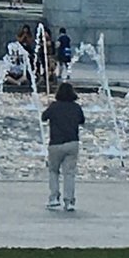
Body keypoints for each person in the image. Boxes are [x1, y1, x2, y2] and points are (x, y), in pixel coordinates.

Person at [42, 80, 85, 213]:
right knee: (69, 173)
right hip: (72, 143)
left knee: (53, 171)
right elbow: (82, 121)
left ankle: (54, 198)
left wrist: (49, 107)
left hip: (56, 143)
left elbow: (44, 117)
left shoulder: (54, 106)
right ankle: (69, 201)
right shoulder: (76, 107)